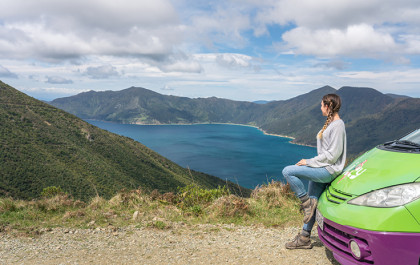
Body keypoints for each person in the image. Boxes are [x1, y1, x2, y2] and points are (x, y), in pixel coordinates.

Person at [283, 93, 346, 249]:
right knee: (313, 201)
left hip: (328, 170)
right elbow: (326, 154)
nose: (320, 108)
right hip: (322, 168)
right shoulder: (331, 124)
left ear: (328, 106)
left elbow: (332, 156)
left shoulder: (338, 125)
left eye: (321, 105)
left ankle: (305, 203)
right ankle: (304, 238)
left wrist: (308, 162)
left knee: (288, 171)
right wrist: (313, 164)